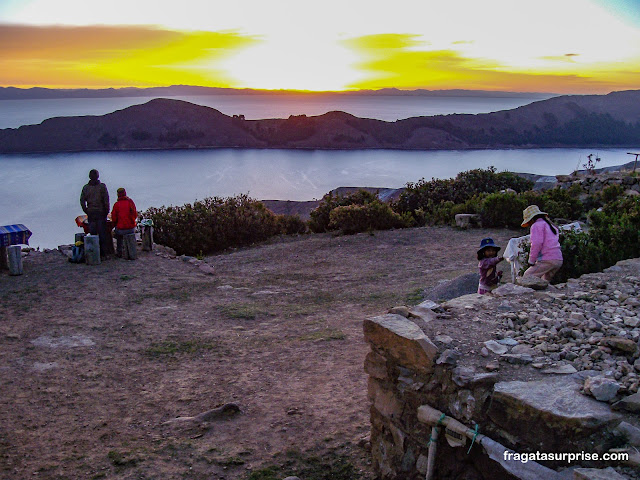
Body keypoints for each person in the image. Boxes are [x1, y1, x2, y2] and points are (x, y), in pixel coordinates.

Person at [521, 205, 563, 281]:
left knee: (527, 276)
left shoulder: (536, 225)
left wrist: (531, 260)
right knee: (545, 281)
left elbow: (536, 244)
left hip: (547, 259)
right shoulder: (551, 225)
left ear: (531, 219)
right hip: (558, 259)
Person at [80, 169, 110, 258]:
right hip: (101, 213)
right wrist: (106, 211)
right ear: (98, 176)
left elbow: (82, 201)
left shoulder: (86, 188)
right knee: (102, 234)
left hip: (91, 213)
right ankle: (103, 254)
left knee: (93, 234)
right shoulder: (102, 187)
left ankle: (94, 253)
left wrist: (86, 210)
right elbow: (106, 200)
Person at [110, 188, 138, 258]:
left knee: (118, 236)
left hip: (121, 229)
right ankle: (131, 250)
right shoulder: (130, 202)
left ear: (118, 195)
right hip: (131, 228)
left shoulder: (116, 205)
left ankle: (119, 251)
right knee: (126, 232)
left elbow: (114, 218)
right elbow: (135, 215)